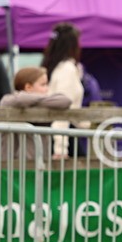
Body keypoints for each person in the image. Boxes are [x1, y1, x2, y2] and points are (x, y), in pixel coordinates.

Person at [0, 67, 72, 161]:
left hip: (39, 162)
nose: (47, 88)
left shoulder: (43, 102)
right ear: (28, 87)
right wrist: (43, 100)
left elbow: (65, 101)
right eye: (43, 85)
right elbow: (20, 99)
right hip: (11, 162)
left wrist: (37, 101)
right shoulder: (9, 99)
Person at [40, 22, 84, 159]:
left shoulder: (54, 67)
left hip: (58, 133)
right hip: (65, 137)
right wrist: (60, 149)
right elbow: (62, 109)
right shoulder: (66, 70)